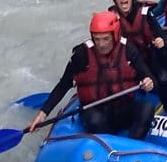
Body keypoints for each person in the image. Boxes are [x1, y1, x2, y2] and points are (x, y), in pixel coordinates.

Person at [26, 10, 155, 139]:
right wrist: (42, 114)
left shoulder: (128, 50)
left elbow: (148, 77)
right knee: (95, 119)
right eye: (97, 39)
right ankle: (110, 147)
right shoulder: (82, 55)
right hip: (95, 111)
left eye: (106, 39)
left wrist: (149, 83)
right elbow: (63, 85)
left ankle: (131, 146)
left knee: (147, 108)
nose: (101, 44)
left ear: (115, 35)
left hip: (122, 109)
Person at [108, 0, 166, 84]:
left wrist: (161, 42)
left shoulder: (144, 12)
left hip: (148, 55)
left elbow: (163, 37)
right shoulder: (111, 18)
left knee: (164, 78)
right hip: (128, 61)